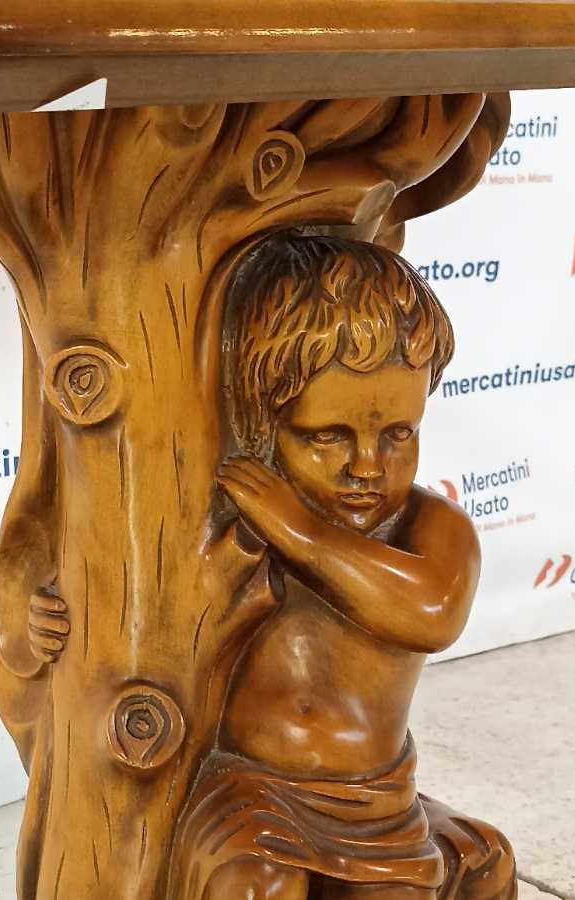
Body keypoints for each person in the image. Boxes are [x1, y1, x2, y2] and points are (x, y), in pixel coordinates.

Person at [168, 235, 516, 900]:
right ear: (265, 422)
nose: (367, 467)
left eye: (398, 434)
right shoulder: (237, 520)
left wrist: (302, 535)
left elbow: (431, 613)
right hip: (253, 792)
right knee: (254, 889)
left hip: (375, 800)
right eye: (327, 437)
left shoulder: (430, 528)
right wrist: (47, 623)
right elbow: (160, 626)